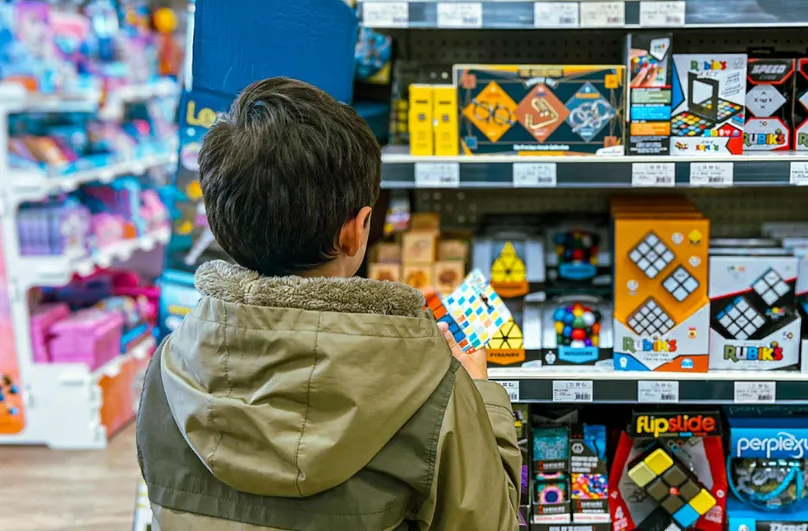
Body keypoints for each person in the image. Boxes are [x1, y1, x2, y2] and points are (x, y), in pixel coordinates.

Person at [136, 77, 521, 531]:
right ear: (357, 230)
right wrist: (481, 398)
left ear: (220, 223)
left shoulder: (168, 368)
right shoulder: (433, 386)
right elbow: (489, 521)